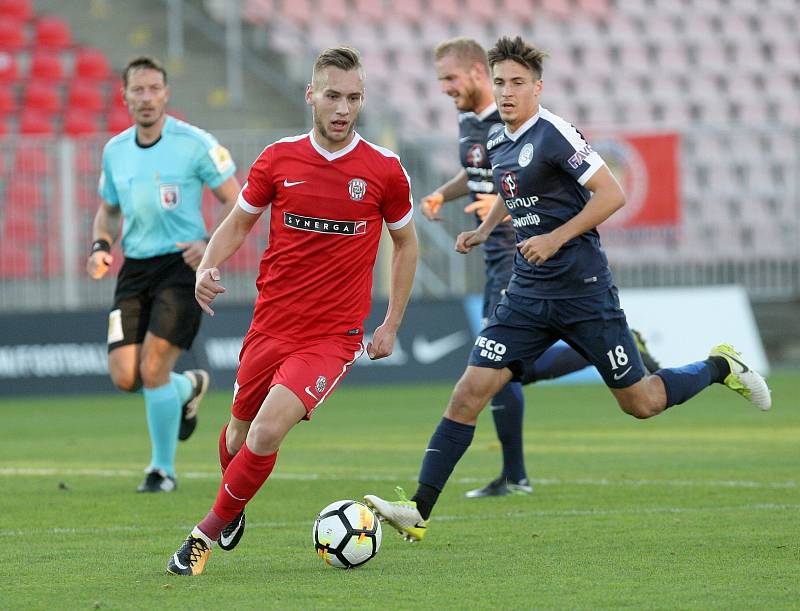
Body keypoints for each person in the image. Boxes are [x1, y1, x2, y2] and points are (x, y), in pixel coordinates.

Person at [364, 36, 771, 542]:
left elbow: (612, 193)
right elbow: (509, 189)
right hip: (527, 294)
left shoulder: (555, 133)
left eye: (517, 83)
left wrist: (555, 238)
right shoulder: (496, 139)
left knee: (640, 403)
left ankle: (720, 366)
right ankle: (418, 510)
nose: (507, 92)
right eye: (500, 83)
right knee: (468, 393)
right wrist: (487, 229)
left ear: (537, 87)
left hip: (583, 290)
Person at [165, 46, 418, 576]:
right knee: (236, 437)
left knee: (265, 432)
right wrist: (207, 266)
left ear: (363, 99)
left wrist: (391, 321)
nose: (342, 108)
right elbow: (238, 222)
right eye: (332, 95)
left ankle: (201, 537)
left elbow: (407, 244)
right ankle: (233, 508)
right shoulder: (279, 158)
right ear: (311, 95)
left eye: (352, 97)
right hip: (271, 325)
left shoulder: (384, 171)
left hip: (332, 336)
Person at [421, 37, 659, 498]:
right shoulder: (479, 127)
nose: (446, 88)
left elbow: (582, 191)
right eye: (501, 82)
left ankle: (514, 474)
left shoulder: (529, 125)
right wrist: (461, 208)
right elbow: (492, 178)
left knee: (504, 367)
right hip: (501, 256)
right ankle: (508, 476)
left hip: (529, 260)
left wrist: (533, 229)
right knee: (498, 368)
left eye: (451, 78)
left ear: (474, 74)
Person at [87, 56, 241, 493]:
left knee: (153, 368)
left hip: (181, 266)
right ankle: (187, 387)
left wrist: (208, 243)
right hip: (134, 270)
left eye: (155, 88)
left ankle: (161, 470)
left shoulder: (194, 143)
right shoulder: (115, 150)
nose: (147, 98)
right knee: (125, 376)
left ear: (166, 93)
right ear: (125, 96)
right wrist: (101, 246)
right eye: (138, 90)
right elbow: (108, 210)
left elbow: (238, 201)